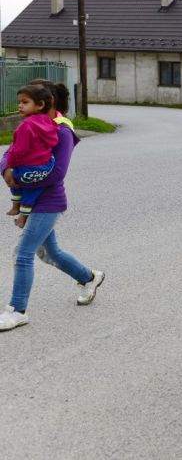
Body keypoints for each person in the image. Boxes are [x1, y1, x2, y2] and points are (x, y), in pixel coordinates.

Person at [0, 81, 105, 332]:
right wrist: (6, 169)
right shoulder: (32, 125)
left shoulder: (62, 132)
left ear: (45, 102)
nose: (22, 106)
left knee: (23, 253)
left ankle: (17, 311)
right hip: (31, 198)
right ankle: (89, 278)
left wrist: (18, 176)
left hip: (48, 201)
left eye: (27, 101)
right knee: (50, 253)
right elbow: (10, 152)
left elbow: (57, 173)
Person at [5, 84, 59, 228]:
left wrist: (10, 165)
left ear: (40, 104)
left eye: (25, 102)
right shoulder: (49, 122)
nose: (20, 106)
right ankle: (23, 217)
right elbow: (53, 141)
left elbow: (18, 150)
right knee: (33, 190)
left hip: (27, 170)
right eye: (19, 102)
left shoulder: (26, 125)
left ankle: (16, 206)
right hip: (45, 168)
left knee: (14, 180)